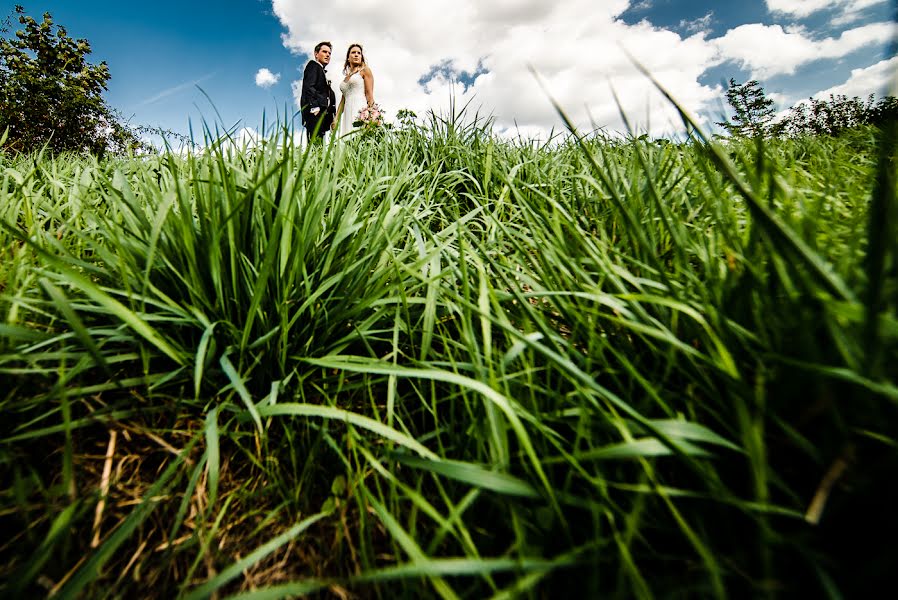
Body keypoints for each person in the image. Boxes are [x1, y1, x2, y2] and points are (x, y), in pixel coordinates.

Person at [336, 43, 375, 137]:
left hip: (360, 109)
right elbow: (343, 100)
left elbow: (369, 95)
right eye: (353, 52)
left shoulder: (365, 71)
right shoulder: (346, 78)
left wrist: (371, 117)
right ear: (348, 58)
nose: (356, 54)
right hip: (347, 111)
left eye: (359, 53)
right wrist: (336, 118)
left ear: (361, 57)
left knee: (358, 135)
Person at [300, 41, 336, 143]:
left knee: (319, 145)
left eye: (329, 53)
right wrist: (314, 107)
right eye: (324, 52)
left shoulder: (321, 70)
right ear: (316, 54)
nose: (327, 55)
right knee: (314, 144)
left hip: (322, 115)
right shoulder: (313, 66)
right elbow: (309, 87)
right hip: (315, 113)